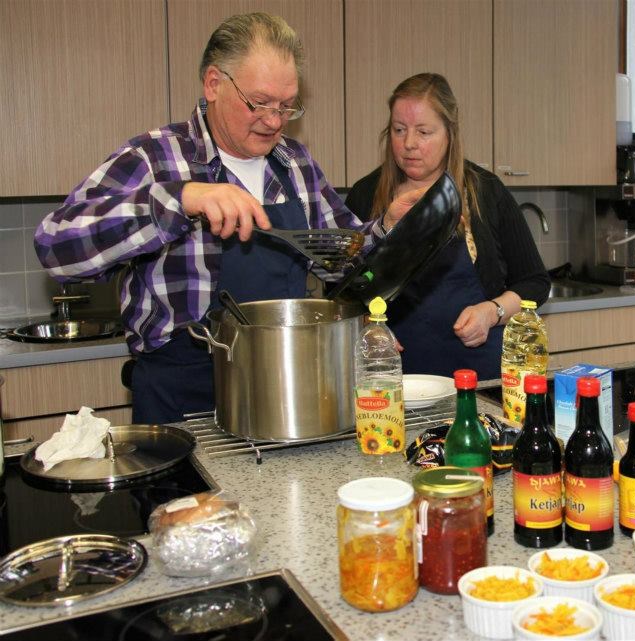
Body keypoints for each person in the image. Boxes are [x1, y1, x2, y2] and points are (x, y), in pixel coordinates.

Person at [34, 13, 418, 424]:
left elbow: (343, 256)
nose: (274, 121)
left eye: (286, 106)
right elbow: (56, 247)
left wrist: (385, 227)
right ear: (214, 84)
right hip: (183, 396)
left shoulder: (295, 163)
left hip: (285, 388)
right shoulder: (155, 158)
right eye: (260, 103)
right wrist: (178, 199)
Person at [345, 73, 550, 380]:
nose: (409, 143)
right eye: (399, 130)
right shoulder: (366, 195)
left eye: (424, 132)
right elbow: (341, 292)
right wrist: (366, 324)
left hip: (479, 377)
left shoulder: (485, 191)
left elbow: (535, 282)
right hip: (395, 382)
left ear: (450, 134)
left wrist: (491, 312)